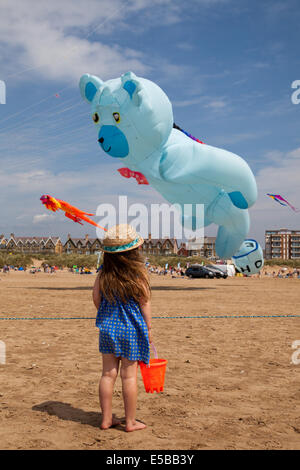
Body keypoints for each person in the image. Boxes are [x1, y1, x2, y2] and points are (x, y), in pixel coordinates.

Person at [92, 224, 152, 432]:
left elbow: (96, 299)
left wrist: (109, 314)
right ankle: (130, 422)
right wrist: (149, 329)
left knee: (108, 375)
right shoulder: (138, 274)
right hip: (131, 330)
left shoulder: (103, 273)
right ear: (134, 252)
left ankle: (107, 419)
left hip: (108, 328)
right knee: (129, 376)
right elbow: (144, 302)